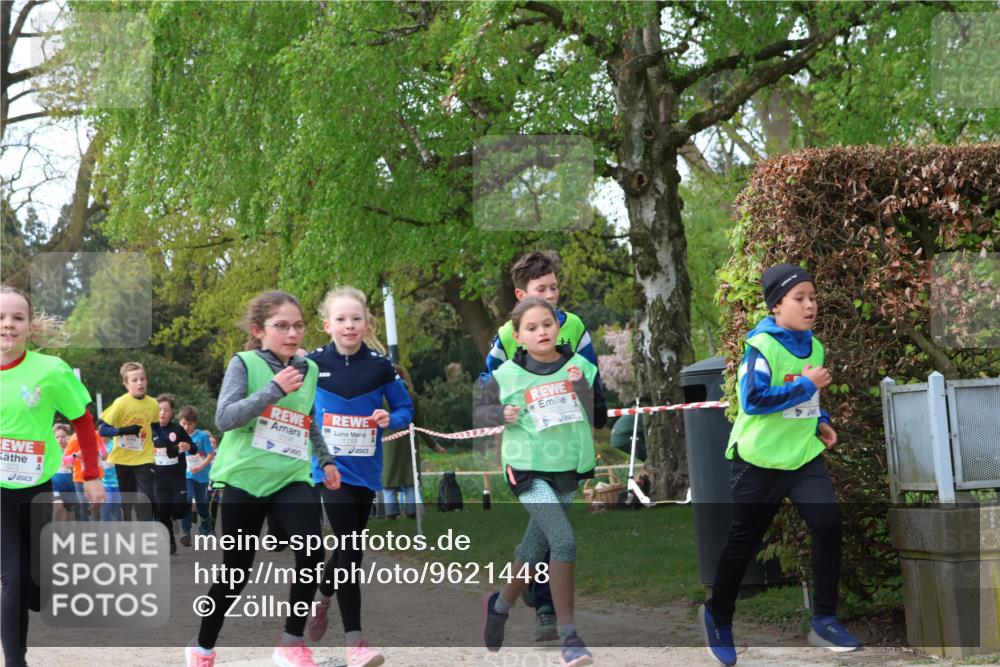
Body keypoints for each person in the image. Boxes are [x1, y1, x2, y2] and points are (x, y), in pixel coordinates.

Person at [699, 264, 862, 666]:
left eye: (813, 297)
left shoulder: (816, 346)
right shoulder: (761, 347)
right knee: (744, 545)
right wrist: (806, 385)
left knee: (827, 524)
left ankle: (824, 618)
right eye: (799, 298)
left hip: (802, 456)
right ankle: (717, 616)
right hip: (760, 460)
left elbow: (809, 400)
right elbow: (754, 400)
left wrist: (820, 422)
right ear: (776, 306)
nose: (809, 306)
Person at [185, 290, 341, 667]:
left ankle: (291, 642)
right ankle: (203, 646)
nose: (292, 333)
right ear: (259, 331)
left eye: (298, 325)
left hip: (291, 476)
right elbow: (225, 418)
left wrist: (327, 459)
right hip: (244, 479)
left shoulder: (311, 370)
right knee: (236, 572)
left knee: (312, 548)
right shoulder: (244, 364)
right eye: (281, 326)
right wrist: (273, 390)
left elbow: (306, 418)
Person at [480, 250, 605, 642]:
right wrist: (503, 413)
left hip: (567, 458)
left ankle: (500, 605)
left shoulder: (574, 331)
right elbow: (487, 397)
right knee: (562, 539)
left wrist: (583, 389)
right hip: (527, 459)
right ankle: (563, 627)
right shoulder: (506, 343)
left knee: (535, 543)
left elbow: (595, 400)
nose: (550, 296)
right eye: (541, 290)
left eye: (554, 290)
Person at [302, 286, 413, 667]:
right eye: (341, 319)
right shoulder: (312, 365)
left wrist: (389, 419)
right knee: (350, 549)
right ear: (326, 325)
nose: (349, 325)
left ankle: (323, 593)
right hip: (328, 470)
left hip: (366, 471)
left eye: (356, 318)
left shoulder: (381, 366)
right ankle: (356, 642)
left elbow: (404, 408)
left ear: (367, 323)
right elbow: (291, 405)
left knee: (351, 549)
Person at [1, 285, 105, 667]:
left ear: (30, 326)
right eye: (0, 318)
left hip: (37, 488)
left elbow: (82, 418)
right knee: (11, 577)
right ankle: (15, 661)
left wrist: (92, 475)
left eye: (17, 318)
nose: (8, 325)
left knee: (37, 584)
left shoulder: (50, 370)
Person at [98, 361, 159, 521]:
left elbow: (156, 428)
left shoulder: (153, 404)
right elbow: (103, 430)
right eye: (134, 380)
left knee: (146, 497)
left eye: (142, 379)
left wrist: (165, 441)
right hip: (123, 459)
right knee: (128, 499)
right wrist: (123, 431)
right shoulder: (121, 403)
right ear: (126, 384)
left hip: (145, 457)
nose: (140, 383)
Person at [151, 393, 194, 555]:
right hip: (158, 478)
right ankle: (170, 541)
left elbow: (194, 447)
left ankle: (176, 517)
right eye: (159, 410)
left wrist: (188, 447)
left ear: (171, 412)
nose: (162, 413)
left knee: (180, 509)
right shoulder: (149, 429)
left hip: (177, 478)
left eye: (166, 410)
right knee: (162, 511)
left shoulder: (178, 430)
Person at [179, 405, 215, 545]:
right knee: (187, 500)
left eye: (190, 424)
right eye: (183, 424)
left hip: (202, 476)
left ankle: (205, 524)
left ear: (195, 423)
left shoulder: (202, 436)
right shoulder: (178, 435)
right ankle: (185, 532)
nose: (186, 427)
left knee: (201, 505)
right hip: (187, 475)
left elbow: (210, 454)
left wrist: (200, 466)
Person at [63, 415, 107, 521]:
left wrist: (100, 454)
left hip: (96, 477)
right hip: (80, 479)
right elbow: (65, 460)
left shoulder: (96, 435)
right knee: (85, 508)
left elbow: (104, 454)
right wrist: (76, 455)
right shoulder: (74, 439)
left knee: (96, 507)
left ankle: (96, 532)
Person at [50, 424, 76, 522]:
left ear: (68, 437)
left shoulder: (73, 450)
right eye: (57, 437)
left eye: (63, 437)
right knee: (58, 506)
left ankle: (67, 534)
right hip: (56, 485)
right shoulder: (51, 450)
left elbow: (78, 466)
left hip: (70, 485)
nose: (60, 439)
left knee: (69, 513)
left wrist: (71, 465)